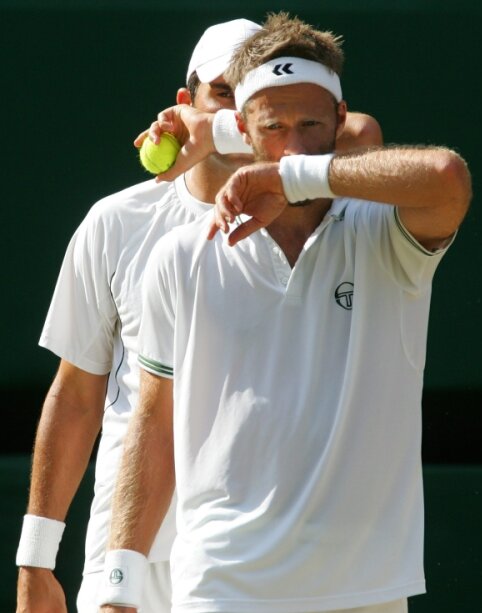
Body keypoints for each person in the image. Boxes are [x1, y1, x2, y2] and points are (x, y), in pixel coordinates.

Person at [99, 12, 471, 613]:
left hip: (365, 591)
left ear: (340, 122)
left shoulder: (386, 235)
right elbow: (154, 421)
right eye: (273, 127)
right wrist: (120, 582)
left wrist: (286, 177)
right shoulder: (178, 257)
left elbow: (446, 177)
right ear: (240, 128)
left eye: (311, 124)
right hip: (218, 589)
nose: (293, 143)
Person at [15, 16, 383, 613]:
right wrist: (36, 559)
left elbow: (365, 134)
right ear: (185, 104)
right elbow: (77, 396)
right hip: (129, 556)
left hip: (261, 559)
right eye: (224, 95)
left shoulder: (324, 211)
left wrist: (223, 133)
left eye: (257, 99)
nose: (244, 112)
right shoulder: (114, 222)